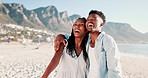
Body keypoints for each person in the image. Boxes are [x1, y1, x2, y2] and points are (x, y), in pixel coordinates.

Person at [54, 10, 122, 78]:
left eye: (93, 19)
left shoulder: (107, 40)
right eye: (88, 19)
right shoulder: (87, 42)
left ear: (101, 24)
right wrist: (61, 36)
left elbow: (114, 70)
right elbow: (74, 38)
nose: (90, 21)